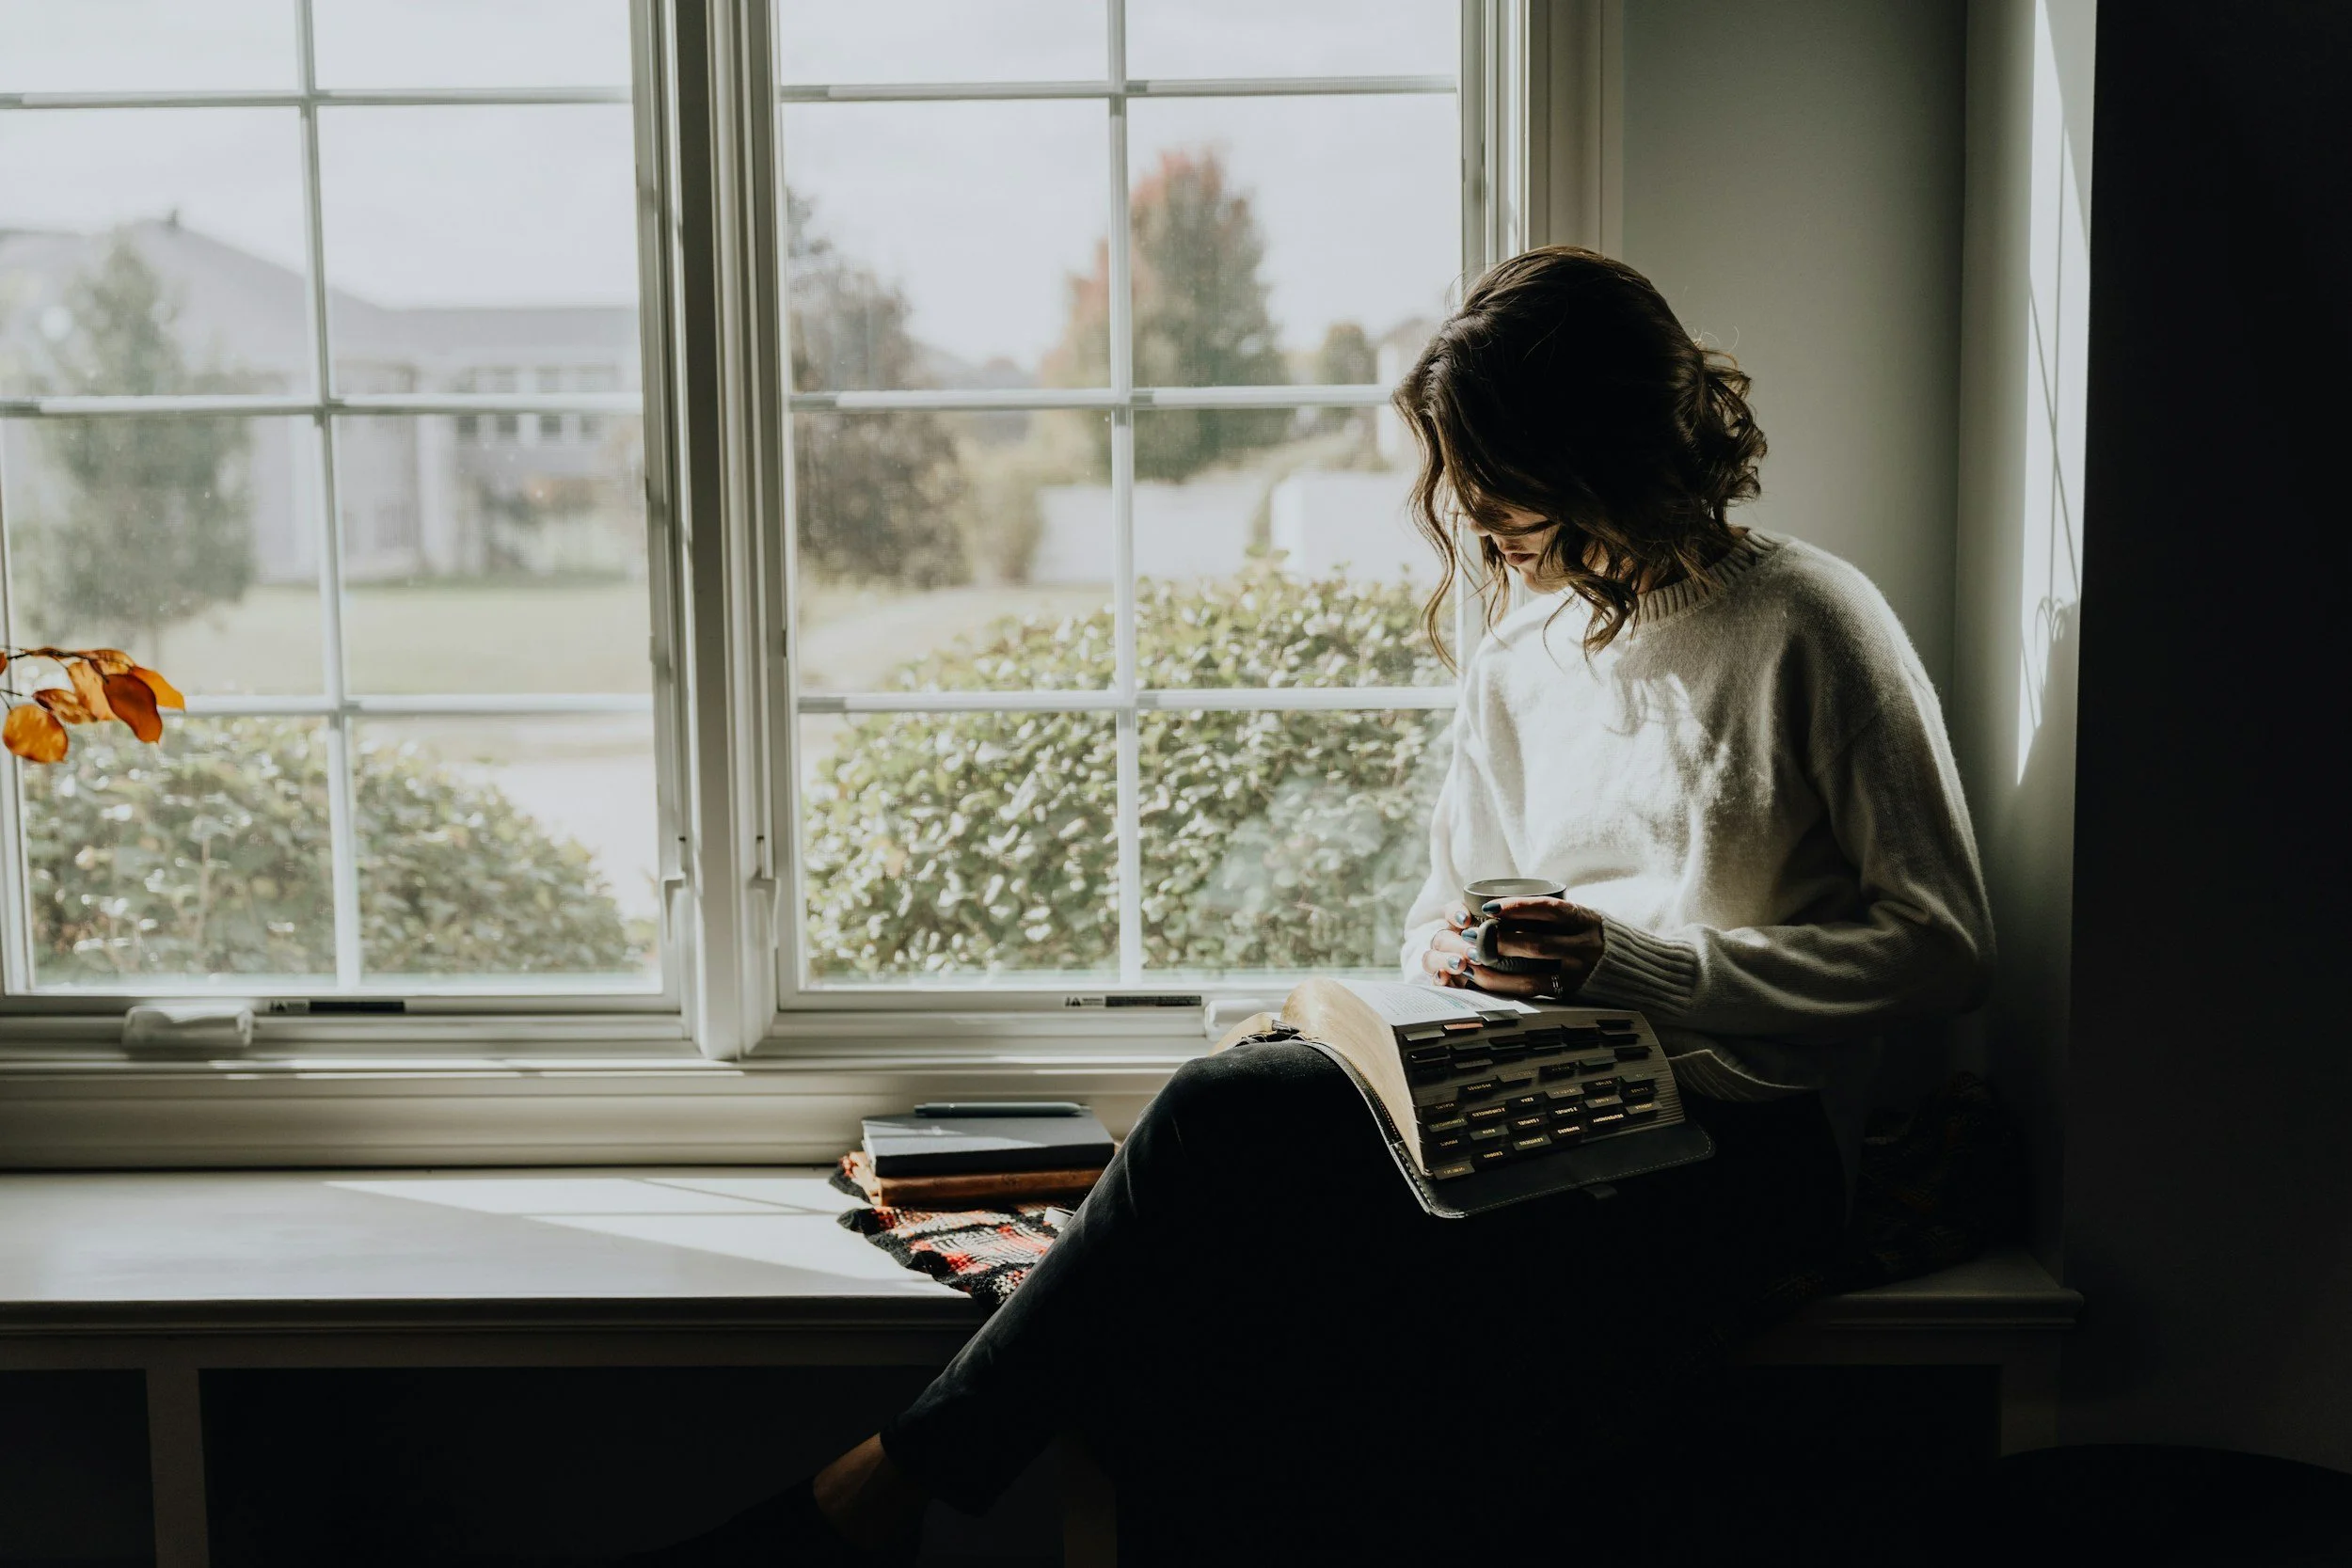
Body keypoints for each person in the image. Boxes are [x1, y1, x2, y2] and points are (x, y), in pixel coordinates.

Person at [627, 246, 1994, 1566]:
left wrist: (1642, 966)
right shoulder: (1521, 654)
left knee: (1227, 1146)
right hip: (1536, 1108)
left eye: (1502, 485)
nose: (1473, 519)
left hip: (1738, 1151)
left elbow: (1943, 946)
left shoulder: (1811, 622)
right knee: (1219, 1289)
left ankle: (883, 1489)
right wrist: (1468, 955)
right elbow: (1433, 916)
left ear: (1602, 455)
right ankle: (892, 1491)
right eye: (1466, 485)